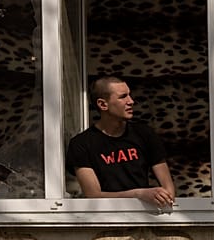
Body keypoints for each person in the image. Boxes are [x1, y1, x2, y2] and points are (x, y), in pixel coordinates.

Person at [66, 76, 175, 208]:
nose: (131, 101)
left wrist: (162, 198)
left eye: (129, 95)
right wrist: (138, 194)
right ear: (102, 104)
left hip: (147, 216)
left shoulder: (144, 134)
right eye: (123, 97)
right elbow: (93, 195)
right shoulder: (81, 143)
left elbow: (169, 190)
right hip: (105, 219)